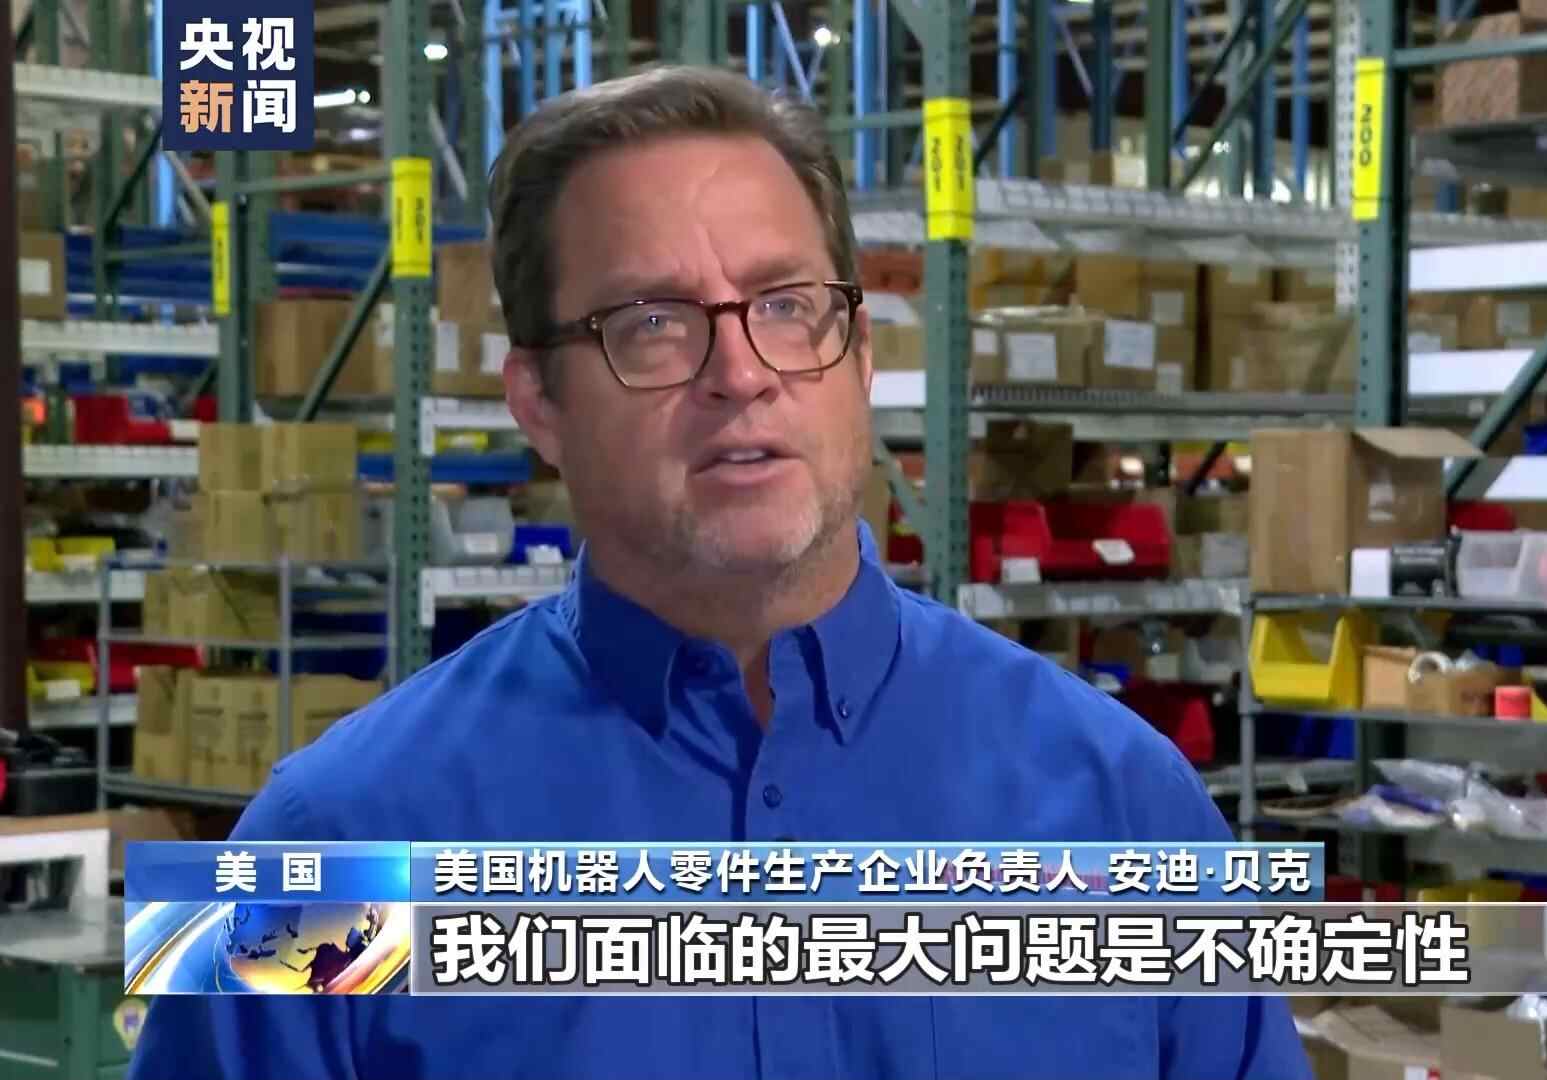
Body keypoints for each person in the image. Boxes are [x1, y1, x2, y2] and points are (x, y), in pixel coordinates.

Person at [129, 64, 1309, 1080]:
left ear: (858, 354)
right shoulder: (325, 853)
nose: (741, 373)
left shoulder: (1126, 810)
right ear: (538, 400)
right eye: (652, 322)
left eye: (786, 306)